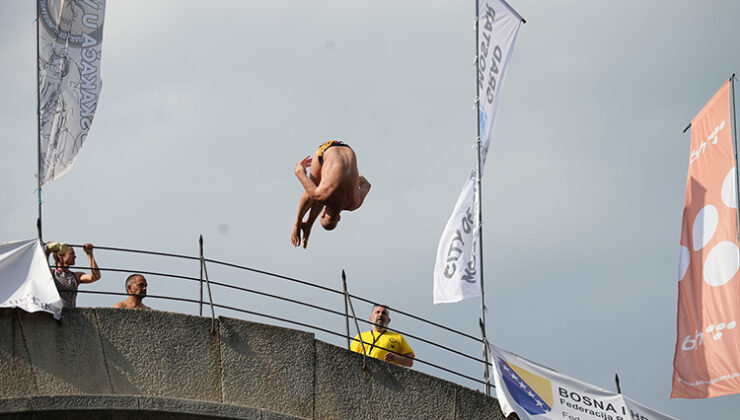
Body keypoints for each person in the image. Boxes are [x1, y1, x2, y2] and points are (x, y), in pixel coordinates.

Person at [291, 140, 371, 249]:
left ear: (339, 218)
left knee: (323, 195)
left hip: (347, 149)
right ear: (323, 214)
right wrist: (300, 166)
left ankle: (307, 224)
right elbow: (298, 172)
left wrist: (351, 175)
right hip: (326, 150)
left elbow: (367, 185)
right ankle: (306, 225)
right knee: (316, 194)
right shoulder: (320, 196)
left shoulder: (354, 204)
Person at [350, 304, 414, 367]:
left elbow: (409, 362)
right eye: (377, 312)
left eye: (384, 313)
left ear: (389, 320)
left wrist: (395, 358)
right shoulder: (360, 336)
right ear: (371, 318)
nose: (380, 314)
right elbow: (351, 358)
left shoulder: (398, 337)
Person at [46, 242, 101, 308]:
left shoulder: (75, 276)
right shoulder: (52, 273)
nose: (75, 256)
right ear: (60, 256)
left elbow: (95, 276)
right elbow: (42, 271)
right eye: (71, 253)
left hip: (71, 315)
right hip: (54, 314)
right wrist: (47, 253)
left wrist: (90, 255)